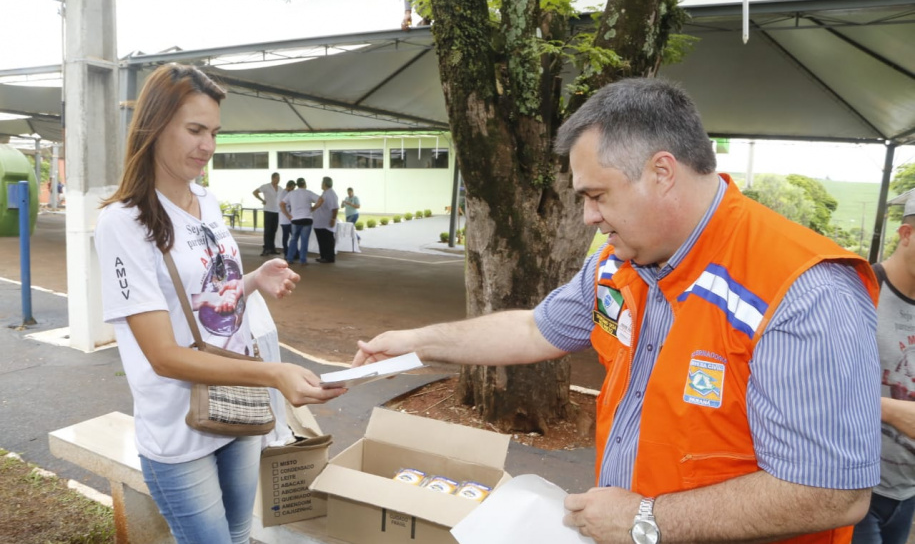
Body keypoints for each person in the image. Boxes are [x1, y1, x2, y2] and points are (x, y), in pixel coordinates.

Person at [353, 78, 882, 544]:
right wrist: (414, 342)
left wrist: (645, 520)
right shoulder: (619, 264)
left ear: (661, 172)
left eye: (598, 195)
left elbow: (831, 493)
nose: (588, 217)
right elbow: (536, 329)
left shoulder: (806, 291)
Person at [93, 63, 346, 544]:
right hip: (180, 425)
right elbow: (164, 356)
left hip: (240, 405)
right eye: (194, 130)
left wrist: (252, 279)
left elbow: (206, 292)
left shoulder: (206, 200)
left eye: (213, 132)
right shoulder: (123, 223)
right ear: (154, 125)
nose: (207, 146)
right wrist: (275, 374)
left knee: (236, 533)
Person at [852, 198, 915, 544]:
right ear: (906, 233)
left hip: (907, 492)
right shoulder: (860, 291)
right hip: (858, 489)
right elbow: (816, 390)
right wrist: (890, 410)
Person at [282, 178, 320, 266]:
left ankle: (289, 258)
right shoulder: (308, 192)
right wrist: (314, 208)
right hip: (307, 219)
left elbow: (282, 204)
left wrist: (287, 215)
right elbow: (321, 199)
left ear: (297, 185)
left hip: (295, 219)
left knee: (293, 239)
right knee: (304, 240)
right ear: (305, 184)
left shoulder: (291, 193)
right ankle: (303, 260)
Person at [253, 172, 281, 256]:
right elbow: (255, 192)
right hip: (268, 210)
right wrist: (262, 200)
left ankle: (272, 248)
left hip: (276, 211)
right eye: (277, 178)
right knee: (268, 230)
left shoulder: (280, 188)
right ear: (273, 178)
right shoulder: (266, 186)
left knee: (274, 230)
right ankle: (266, 248)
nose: (278, 180)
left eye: (279, 179)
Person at [311, 176, 339, 264]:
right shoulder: (325, 193)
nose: (321, 184)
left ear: (325, 184)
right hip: (320, 223)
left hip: (325, 222)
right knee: (322, 240)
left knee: (327, 240)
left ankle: (329, 257)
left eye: (322, 182)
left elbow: (335, 208)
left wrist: (333, 218)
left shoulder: (331, 194)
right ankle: (323, 255)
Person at [278, 179, 296, 260]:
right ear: (288, 186)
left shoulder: (289, 193)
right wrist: (288, 215)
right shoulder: (283, 194)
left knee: (293, 236)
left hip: (289, 219)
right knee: (286, 236)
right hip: (284, 219)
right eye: (292, 188)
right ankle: (286, 252)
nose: (293, 190)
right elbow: (282, 206)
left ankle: (294, 252)